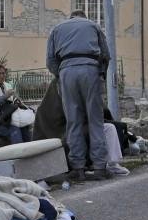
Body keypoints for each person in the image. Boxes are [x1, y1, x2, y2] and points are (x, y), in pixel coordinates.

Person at [46, 9, 111, 181]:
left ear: (71, 17)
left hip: (67, 70)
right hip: (90, 69)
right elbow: (105, 55)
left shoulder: (57, 29)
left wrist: (61, 75)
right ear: (84, 17)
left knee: (73, 121)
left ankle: (78, 168)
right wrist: (101, 74)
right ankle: (99, 168)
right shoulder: (93, 25)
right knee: (95, 120)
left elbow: (50, 60)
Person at [0, 63, 32, 144]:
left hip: (7, 119)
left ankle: (30, 153)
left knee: (25, 128)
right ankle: (19, 154)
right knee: (15, 130)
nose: (2, 76)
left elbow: (11, 102)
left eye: (3, 73)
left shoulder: (6, 85)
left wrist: (18, 102)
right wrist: (5, 96)